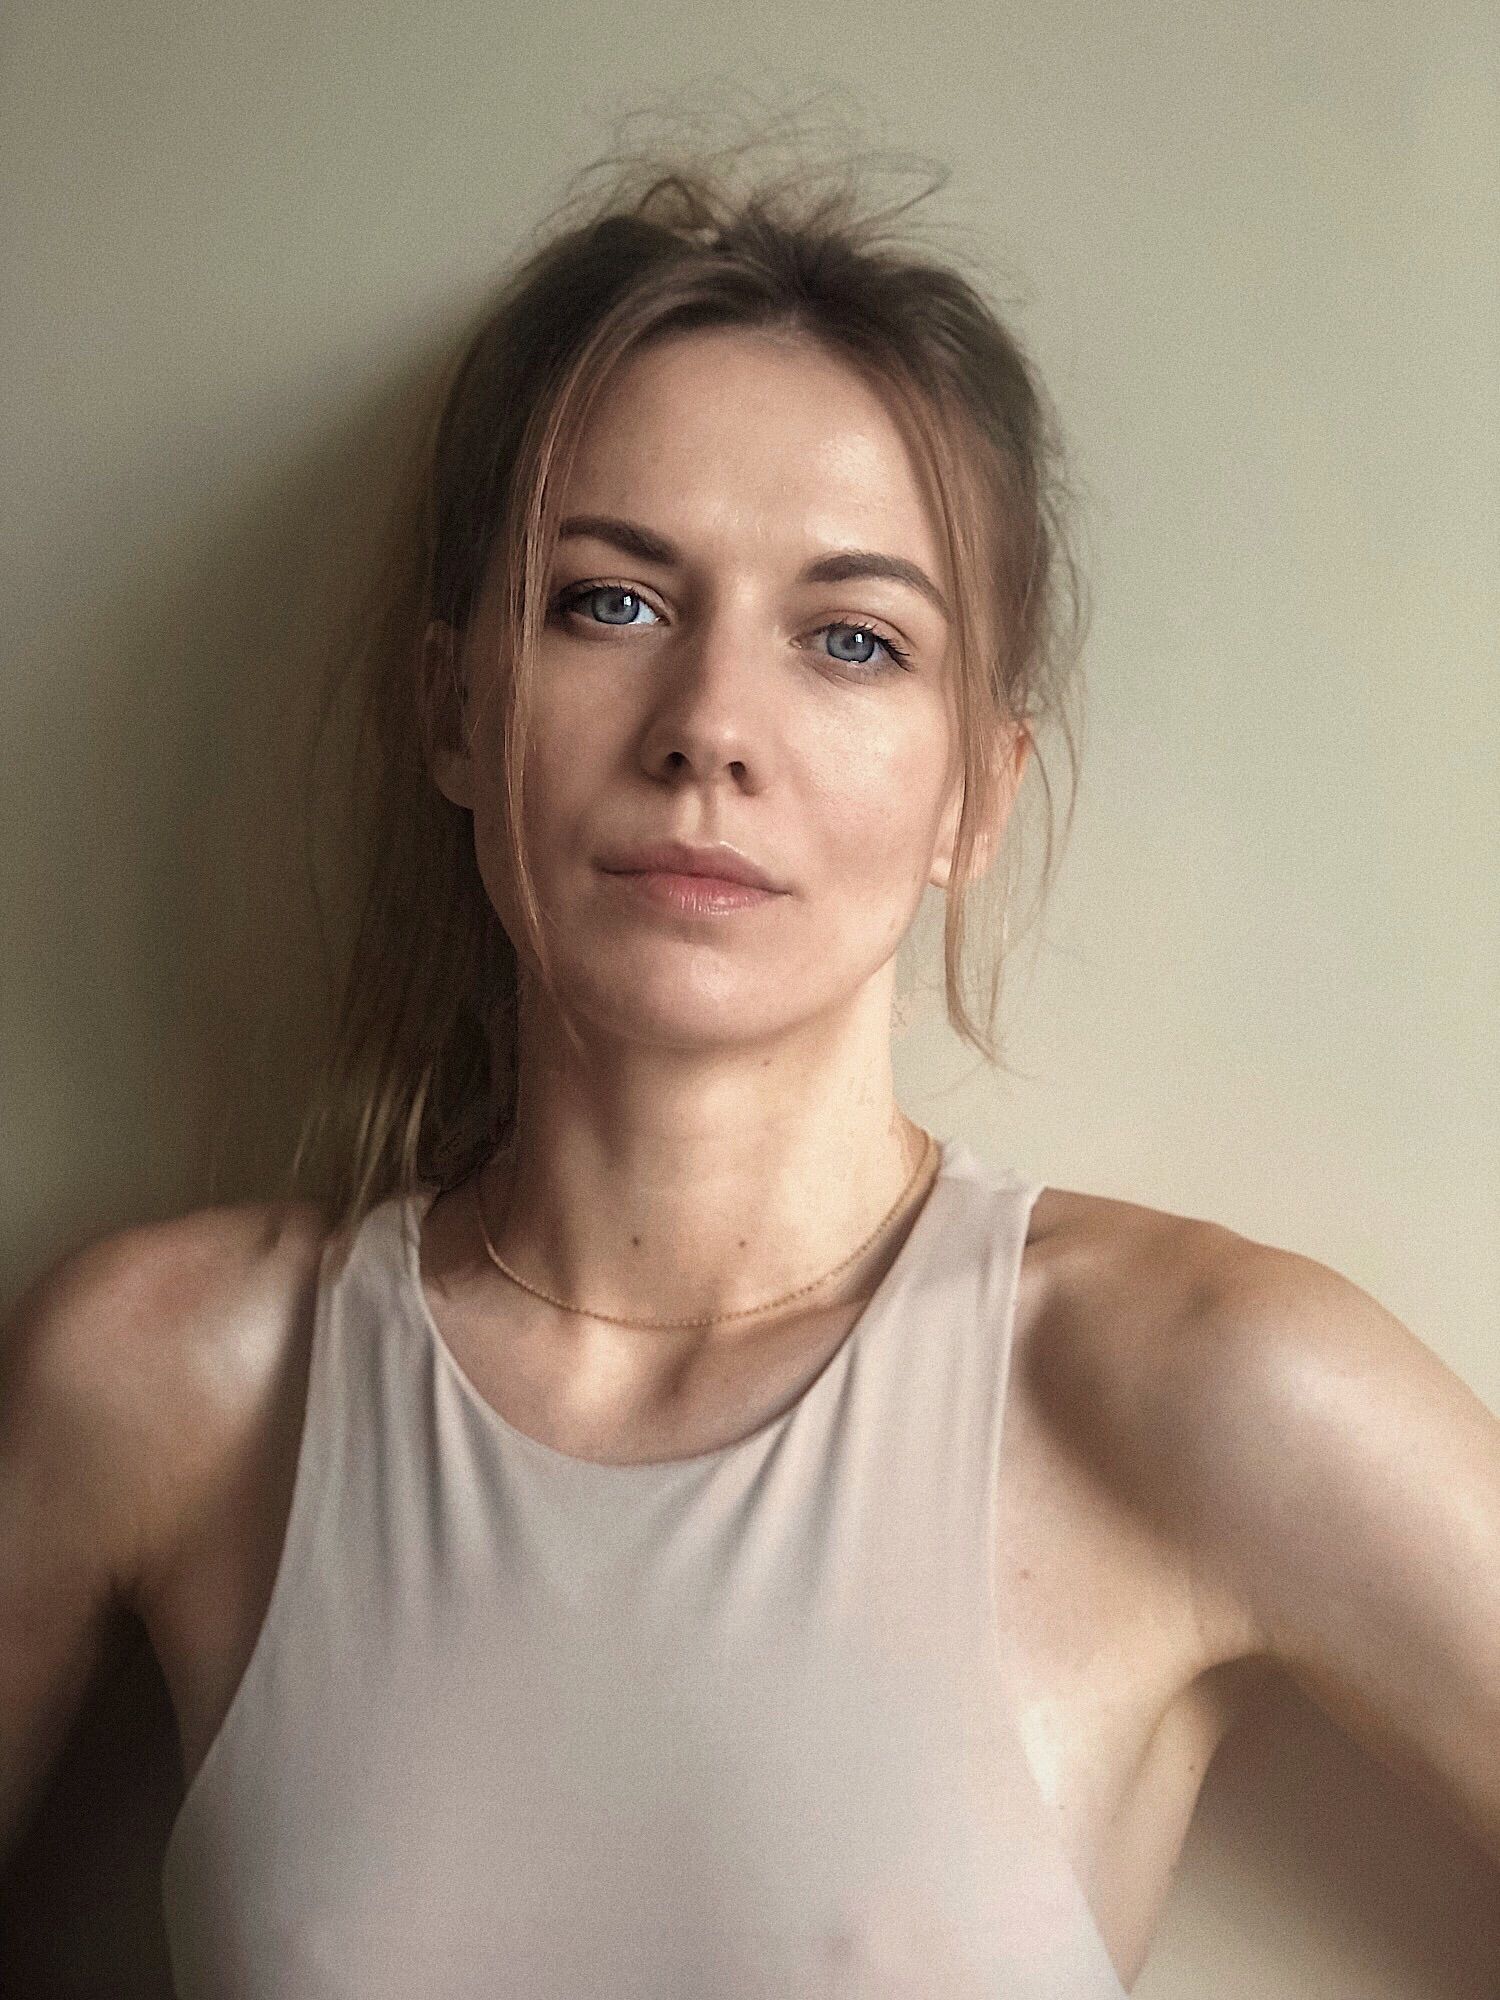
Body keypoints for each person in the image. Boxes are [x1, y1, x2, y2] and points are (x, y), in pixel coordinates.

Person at [2, 139, 1497, 2000]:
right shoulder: (172, 1384)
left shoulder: (1186, 1385)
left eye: (852, 641)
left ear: (976, 794)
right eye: (609, 602)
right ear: (451, 707)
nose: (710, 727)